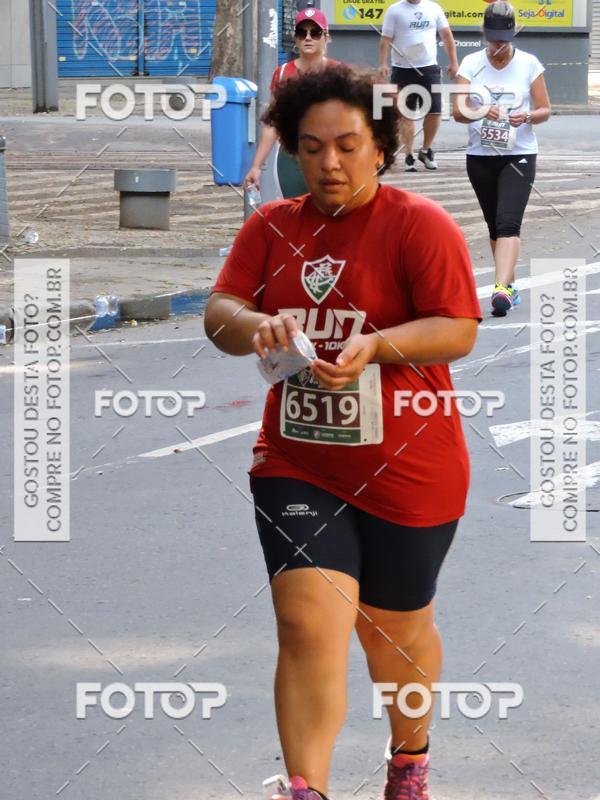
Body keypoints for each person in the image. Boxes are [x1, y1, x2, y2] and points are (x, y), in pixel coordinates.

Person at [205, 64, 481, 800]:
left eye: (349, 145)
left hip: (411, 467)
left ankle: (409, 757)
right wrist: (262, 323)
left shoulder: (420, 226)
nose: (330, 162)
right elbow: (220, 313)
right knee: (306, 625)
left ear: (382, 147)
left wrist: (377, 345)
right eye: (313, 146)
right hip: (299, 462)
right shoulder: (271, 227)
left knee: (394, 632)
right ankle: (306, 790)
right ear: (294, 151)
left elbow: (458, 328)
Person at [453, 1, 551, 317]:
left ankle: (499, 290)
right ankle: (508, 284)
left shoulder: (529, 64)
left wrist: (528, 117)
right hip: (480, 155)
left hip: (519, 154)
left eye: (505, 39)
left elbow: (545, 109)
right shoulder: (470, 64)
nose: (499, 45)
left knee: (509, 222)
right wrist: (481, 110)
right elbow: (458, 111)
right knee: (495, 225)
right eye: (494, 38)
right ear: (485, 34)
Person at [243, 9, 336, 199]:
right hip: (290, 159)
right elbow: (273, 123)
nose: (308, 38)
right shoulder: (283, 73)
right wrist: (256, 166)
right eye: (302, 33)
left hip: (328, 157)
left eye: (315, 33)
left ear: (326, 37)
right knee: (294, 216)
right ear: (295, 38)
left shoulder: (338, 73)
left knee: (329, 217)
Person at [379, 0, 458, 172]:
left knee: (435, 110)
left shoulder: (434, 8)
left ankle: (426, 150)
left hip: (429, 68)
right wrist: (383, 63)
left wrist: (454, 62)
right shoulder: (395, 10)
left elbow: (446, 36)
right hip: (402, 69)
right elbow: (385, 39)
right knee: (406, 114)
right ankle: (409, 154)